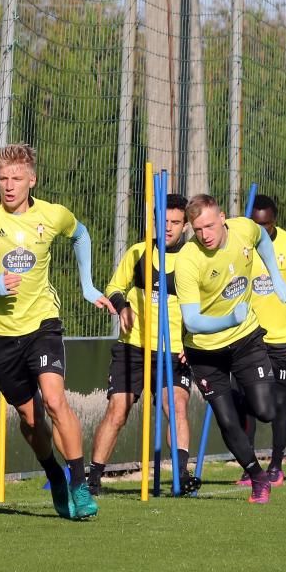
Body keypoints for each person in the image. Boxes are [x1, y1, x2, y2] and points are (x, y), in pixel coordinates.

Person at [0, 143, 115, 520]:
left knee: (55, 400)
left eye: (16, 178)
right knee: (31, 417)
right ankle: (54, 473)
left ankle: (78, 484)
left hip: (42, 323)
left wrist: (87, 285)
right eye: (3, 178)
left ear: (31, 180)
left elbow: (81, 235)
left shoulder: (53, 216)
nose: (8, 185)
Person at [174, 194, 286, 504]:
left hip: (245, 339)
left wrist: (276, 278)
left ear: (223, 217)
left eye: (210, 226)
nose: (205, 235)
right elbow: (193, 321)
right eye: (198, 230)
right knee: (226, 419)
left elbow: (263, 238)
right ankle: (257, 477)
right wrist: (228, 318)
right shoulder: (188, 259)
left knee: (265, 411)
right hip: (205, 349)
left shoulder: (244, 229)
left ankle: (241, 396)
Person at [87, 194, 200, 495]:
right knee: (118, 409)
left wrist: (194, 343)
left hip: (175, 349)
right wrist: (122, 305)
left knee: (174, 404)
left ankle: (181, 475)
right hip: (133, 346)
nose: (168, 228)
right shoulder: (139, 252)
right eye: (162, 221)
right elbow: (113, 287)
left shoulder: (194, 258)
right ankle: (93, 478)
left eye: (175, 222)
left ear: (186, 225)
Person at [236, 195, 286, 487]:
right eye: (256, 225)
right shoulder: (240, 246)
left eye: (266, 224)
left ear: (275, 220)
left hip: (283, 341)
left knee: (280, 404)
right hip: (247, 338)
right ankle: (249, 466)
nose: (261, 230)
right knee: (247, 405)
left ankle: (277, 465)